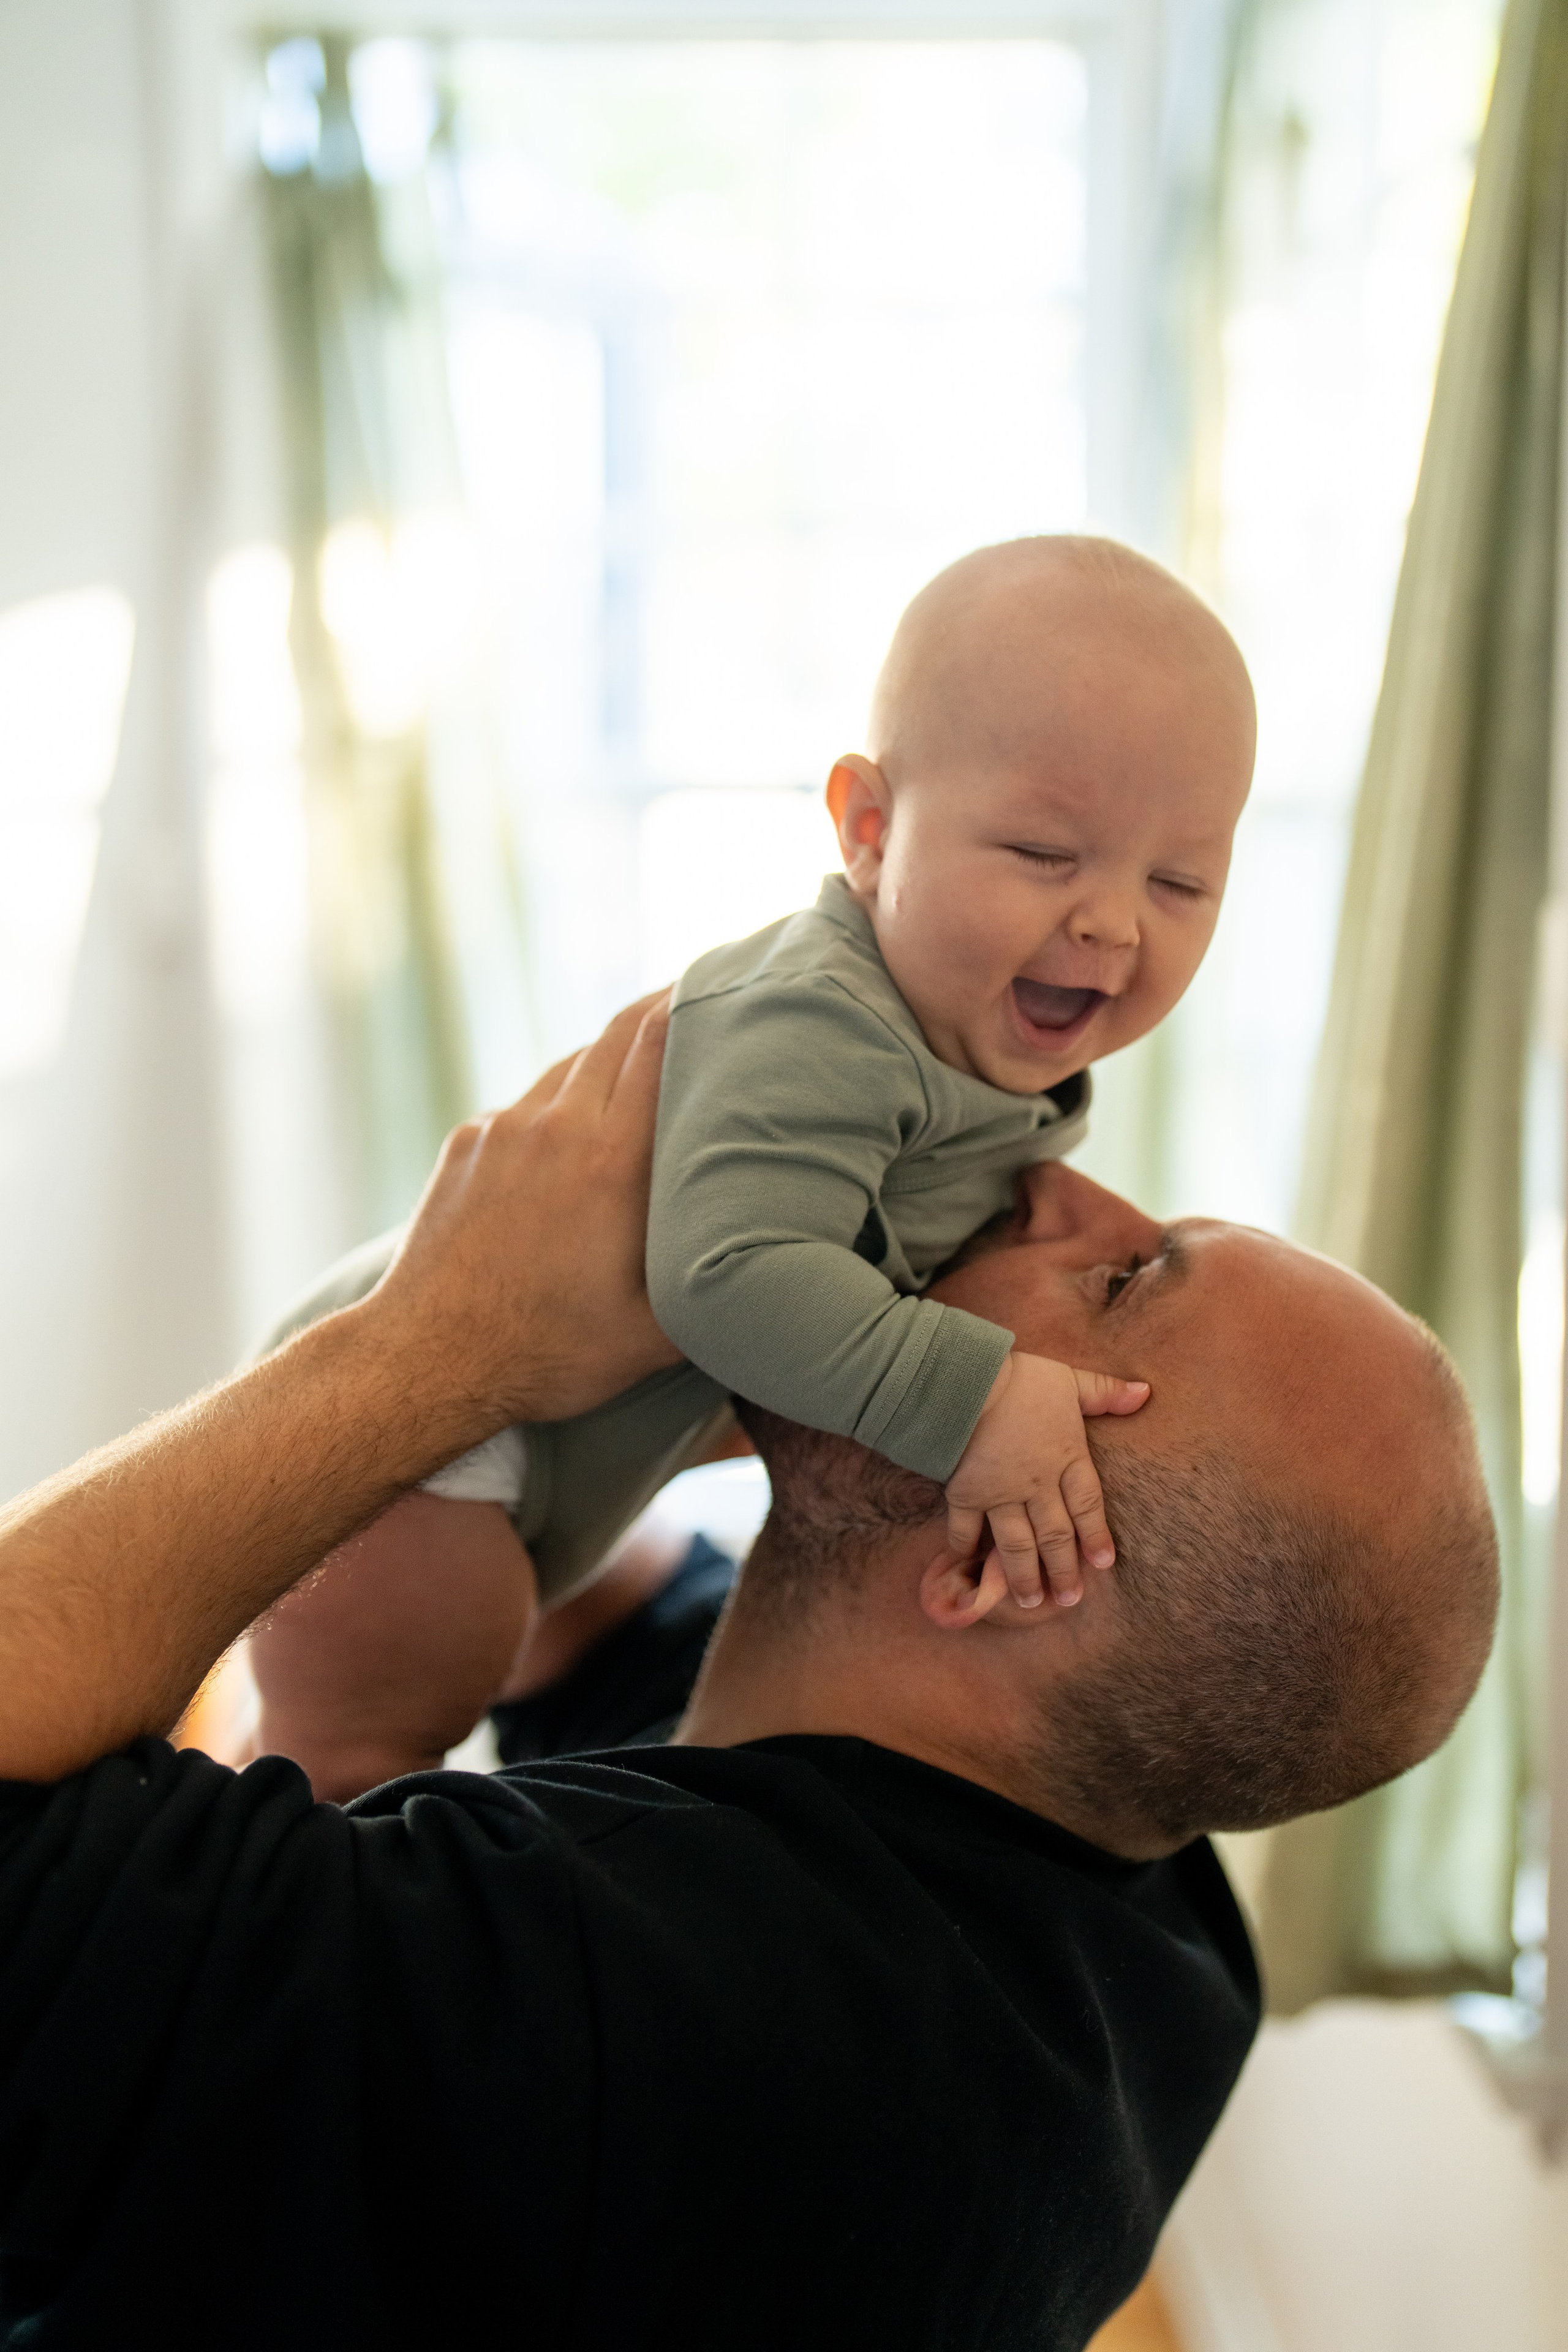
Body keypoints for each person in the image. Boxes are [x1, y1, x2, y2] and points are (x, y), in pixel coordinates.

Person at [0, 1003, 1497, 2351]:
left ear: (989, 1570)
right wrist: (719, 1338)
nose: (1050, 1183)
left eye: (1114, 1280)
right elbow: (578, 1617)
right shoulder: (1133, 1916)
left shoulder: (644, 2017)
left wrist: (433, 1347)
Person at [251, 531, 1256, 1790]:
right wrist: (978, 1399)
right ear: (871, 830)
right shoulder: (822, 1020)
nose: (1108, 919)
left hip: (548, 1474)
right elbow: (727, 1276)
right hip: (424, 1440)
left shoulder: (989, 1065)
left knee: (432, 1708)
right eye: (1044, 855)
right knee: (357, 1766)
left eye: (1179, 881)